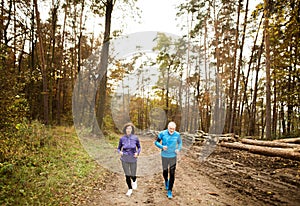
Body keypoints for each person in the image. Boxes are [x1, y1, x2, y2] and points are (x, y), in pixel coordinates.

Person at [154, 121, 182, 199]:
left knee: (172, 173)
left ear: (175, 129)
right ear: (168, 127)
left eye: (173, 129)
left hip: (173, 156)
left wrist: (178, 149)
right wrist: (162, 146)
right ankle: (166, 180)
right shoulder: (162, 133)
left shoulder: (177, 135)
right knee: (165, 171)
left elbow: (180, 143)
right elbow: (156, 142)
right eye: (170, 128)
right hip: (164, 156)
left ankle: (169, 190)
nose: (172, 130)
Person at [117, 123, 141, 196]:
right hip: (124, 158)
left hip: (133, 158)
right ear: (125, 130)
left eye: (130, 129)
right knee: (127, 174)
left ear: (132, 130)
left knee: (133, 174)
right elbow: (118, 148)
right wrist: (120, 152)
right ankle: (130, 189)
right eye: (127, 129)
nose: (128, 130)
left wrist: (137, 153)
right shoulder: (122, 138)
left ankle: (134, 180)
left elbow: (139, 147)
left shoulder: (135, 138)